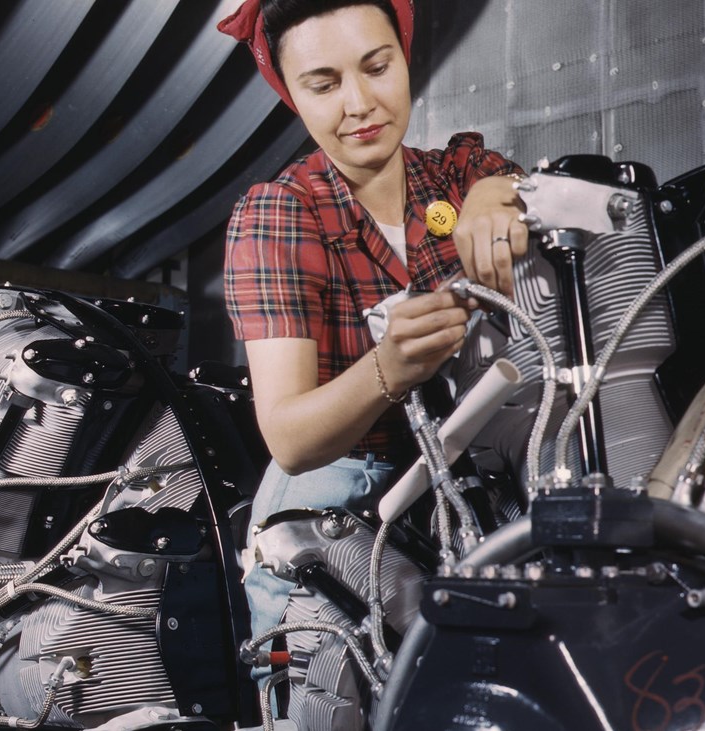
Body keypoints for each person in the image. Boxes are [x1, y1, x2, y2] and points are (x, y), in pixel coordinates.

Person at [217, 0, 528, 657]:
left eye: (377, 67)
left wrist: (493, 197)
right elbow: (291, 437)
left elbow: (510, 185)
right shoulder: (282, 214)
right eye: (323, 85)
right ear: (291, 95)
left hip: (465, 498)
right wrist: (388, 368)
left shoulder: (454, 175)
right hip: (334, 513)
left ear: (403, 58)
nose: (358, 103)